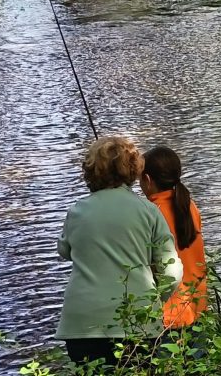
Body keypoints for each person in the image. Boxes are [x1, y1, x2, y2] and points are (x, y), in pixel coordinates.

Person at [56, 136, 183, 366]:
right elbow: (172, 270)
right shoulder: (149, 211)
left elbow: (64, 250)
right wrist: (155, 301)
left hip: (81, 324)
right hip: (138, 322)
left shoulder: (77, 211)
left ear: (90, 171)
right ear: (133, 170)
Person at [141, 146, 207, 328]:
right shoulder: (189, 205)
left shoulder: (150, 214)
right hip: (197, 305)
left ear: (147, 179)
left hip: (169, 315)